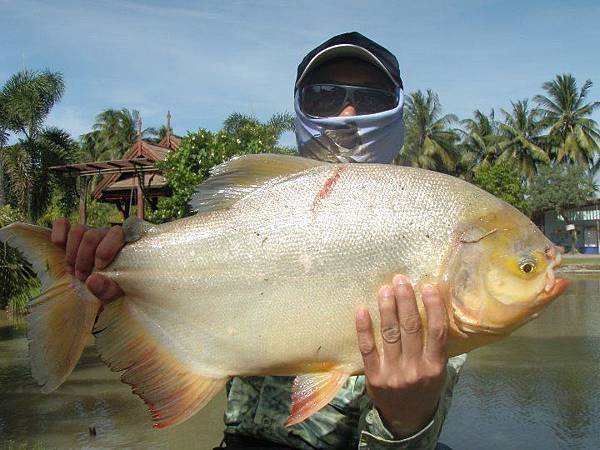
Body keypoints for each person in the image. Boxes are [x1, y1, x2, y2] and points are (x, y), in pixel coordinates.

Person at [51, 32, 466, 449]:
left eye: (372, 97)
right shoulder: (259, 209)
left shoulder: (432, 234)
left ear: (398, 110)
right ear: (300, 107)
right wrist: (115, 277)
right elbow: (179, 278)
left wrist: (408, 418)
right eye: (323, 96)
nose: (349, 112)